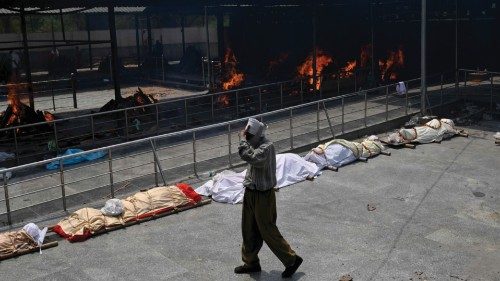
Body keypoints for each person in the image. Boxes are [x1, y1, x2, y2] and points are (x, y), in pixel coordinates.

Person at [234, 117, 303, 278]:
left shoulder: (266, 147)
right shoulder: (254, 144)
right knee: (248, 229)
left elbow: (253, 157)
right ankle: (251, 262)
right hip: (250, 191)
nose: (248, 139)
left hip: (263, 195)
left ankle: (292, 259)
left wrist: (243, 142)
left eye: (250, 136)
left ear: (257, 135)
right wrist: (247, 142)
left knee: (267, 230)